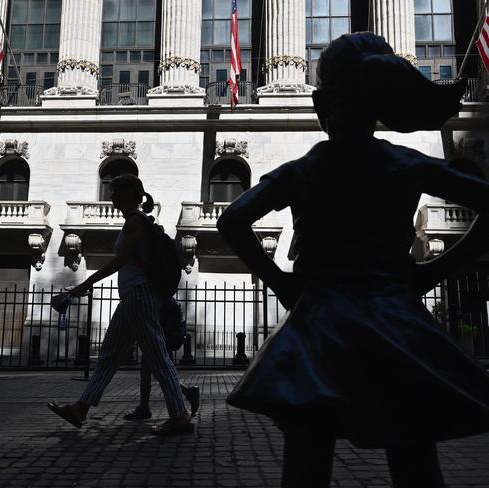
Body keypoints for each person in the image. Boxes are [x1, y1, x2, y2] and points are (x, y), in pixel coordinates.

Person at [216, 32, 489, 488]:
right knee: (414, 455)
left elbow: (233, 220)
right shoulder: (405, 164)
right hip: (394, 318)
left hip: (319, 323)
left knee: (306, 459)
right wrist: (434, 272)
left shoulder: (305, 168)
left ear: (324, 105)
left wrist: (280, 282)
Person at [48, 174, 193, 436]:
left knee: (158, 357)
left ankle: (180, 415)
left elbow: (121, 260)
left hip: (139, 295)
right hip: (132, 297)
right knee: (109, 357)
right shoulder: (135, 222)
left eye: (115, 191)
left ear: (130, 195)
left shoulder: (136, 222)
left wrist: (87, 282)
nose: (111, 196)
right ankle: (81, 408)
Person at [123, 297, 200, 421]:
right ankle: (188, 393)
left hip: (163, 323)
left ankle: (148, 408)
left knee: (159, 371)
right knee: (155, 371)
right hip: (165, 322)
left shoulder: (159, 297)